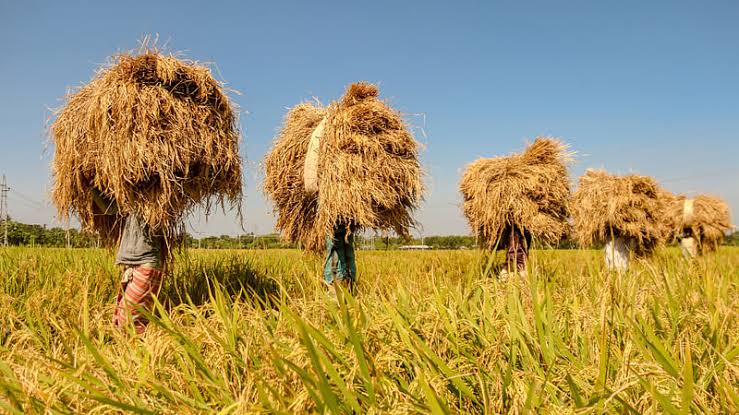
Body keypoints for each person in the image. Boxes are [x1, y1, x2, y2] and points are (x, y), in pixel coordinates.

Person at [92, 189, 165, 334]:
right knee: (121, 317)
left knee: (130, 319)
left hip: (147, 265)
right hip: (133, 266)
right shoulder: (131, 202)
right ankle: (129, 351)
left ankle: (142, 351)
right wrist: (90, 188)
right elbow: (109, 208)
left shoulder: (154, 200)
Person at [323, 224, 357, 293]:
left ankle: (341, 287)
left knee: (338, 255)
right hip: (342, 226)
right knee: (345, 254)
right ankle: (346, 286)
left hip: (340, 227)